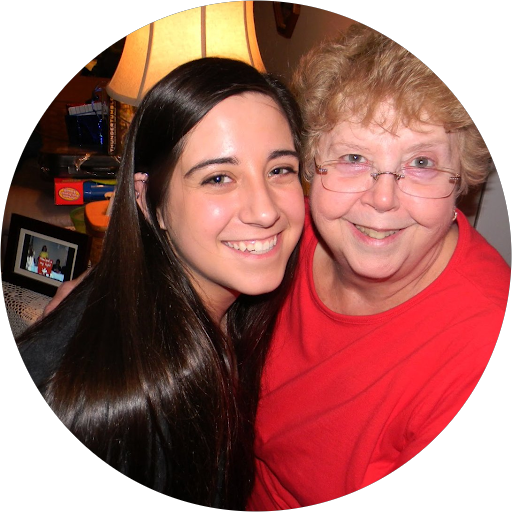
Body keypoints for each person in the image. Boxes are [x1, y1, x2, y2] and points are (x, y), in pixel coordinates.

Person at [16, 57, 305, 510]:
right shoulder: (122, 408)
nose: (265, 211)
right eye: (218, 178)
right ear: (149, 202)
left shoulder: (219, 303)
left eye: (280, 169)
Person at [246, 24, 510, 509]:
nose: (383, 199)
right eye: (353, 157)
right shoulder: (285, 235)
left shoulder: (477, 347)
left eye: (422, 163)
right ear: (310, 168)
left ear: (462, 180)